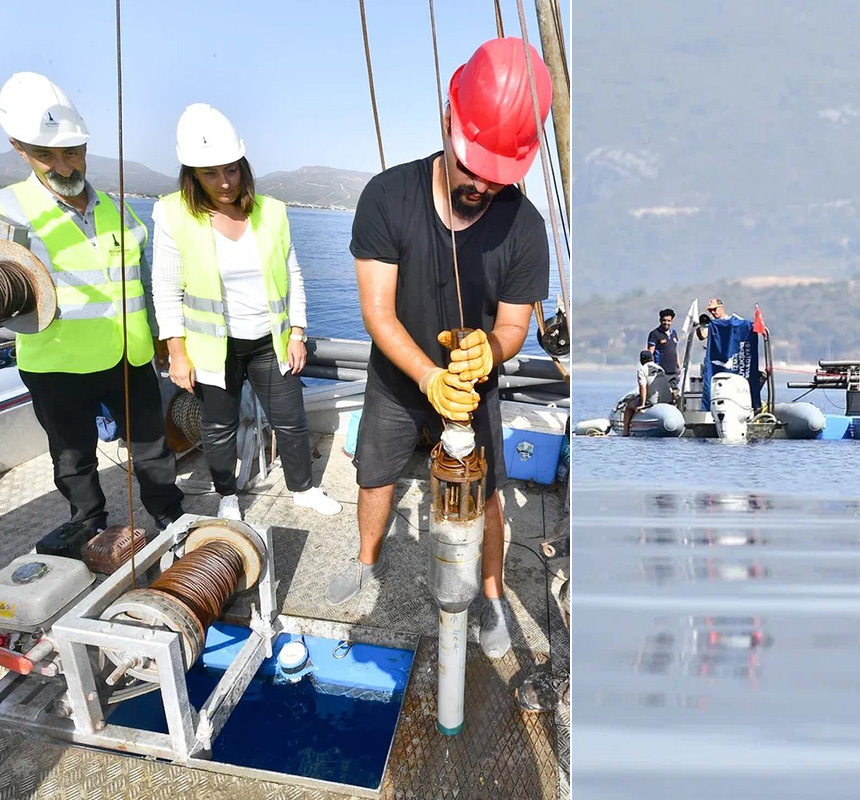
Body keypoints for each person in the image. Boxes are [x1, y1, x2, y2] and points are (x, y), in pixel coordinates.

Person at [328, 38, 552, 662]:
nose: (481, 183)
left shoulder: (527, 229)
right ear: (448, 118)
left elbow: (514, 328)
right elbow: (377, 311)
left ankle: (492, 595)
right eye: (471, 164)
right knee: (374, 476)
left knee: (486, 495)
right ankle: (367, 562)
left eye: (496, 173)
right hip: (399, 381)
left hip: (473, 391)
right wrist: (428, 377)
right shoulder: (386, 196)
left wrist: (491, 350)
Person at [0, 72, 184, 533]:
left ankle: (169, 517)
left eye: (72, 151)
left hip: (129, 354)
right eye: (46, 154)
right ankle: (90, 525)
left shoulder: (117, 208)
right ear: (19, 149)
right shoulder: (9, 211)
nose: (64, 166)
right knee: (72, 456)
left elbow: (141, 278)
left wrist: (163, 337)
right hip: (56, 363)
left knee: (153, 448)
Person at [151, 104, 341, 521]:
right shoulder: (171, 214)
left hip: (268, 343)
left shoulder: (272, 211)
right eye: (211, 173)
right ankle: (227, 495)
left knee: (290, 420)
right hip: (213, 349)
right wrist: (177, 352)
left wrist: (296, 331)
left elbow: (293, 273)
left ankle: (304, 488)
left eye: (232, 170)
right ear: (192, 175)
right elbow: (165, 289)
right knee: (218, 426)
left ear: (244, 166)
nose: (224, 182)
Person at [623, 350, 670, 435]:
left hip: (653, 401)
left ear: (641, 360)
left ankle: (625, 432)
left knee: (629, 407)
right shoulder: (660, 368)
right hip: (667, 400)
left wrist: (642, 404)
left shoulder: (642, 369)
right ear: (652, 358)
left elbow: (643, 387)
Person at [646, 308, 679, 396]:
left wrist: (678, 365)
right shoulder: (654, 334)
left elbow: (675, 350)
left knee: (675, 392)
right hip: (661, 370)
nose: (666, 323)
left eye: (668, 320)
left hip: (673, 370)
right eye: (664, 320)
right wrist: (650, 369)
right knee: (661, 394)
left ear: (672, 321)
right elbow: (650, 353)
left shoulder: (674, 333)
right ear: (660, 320)